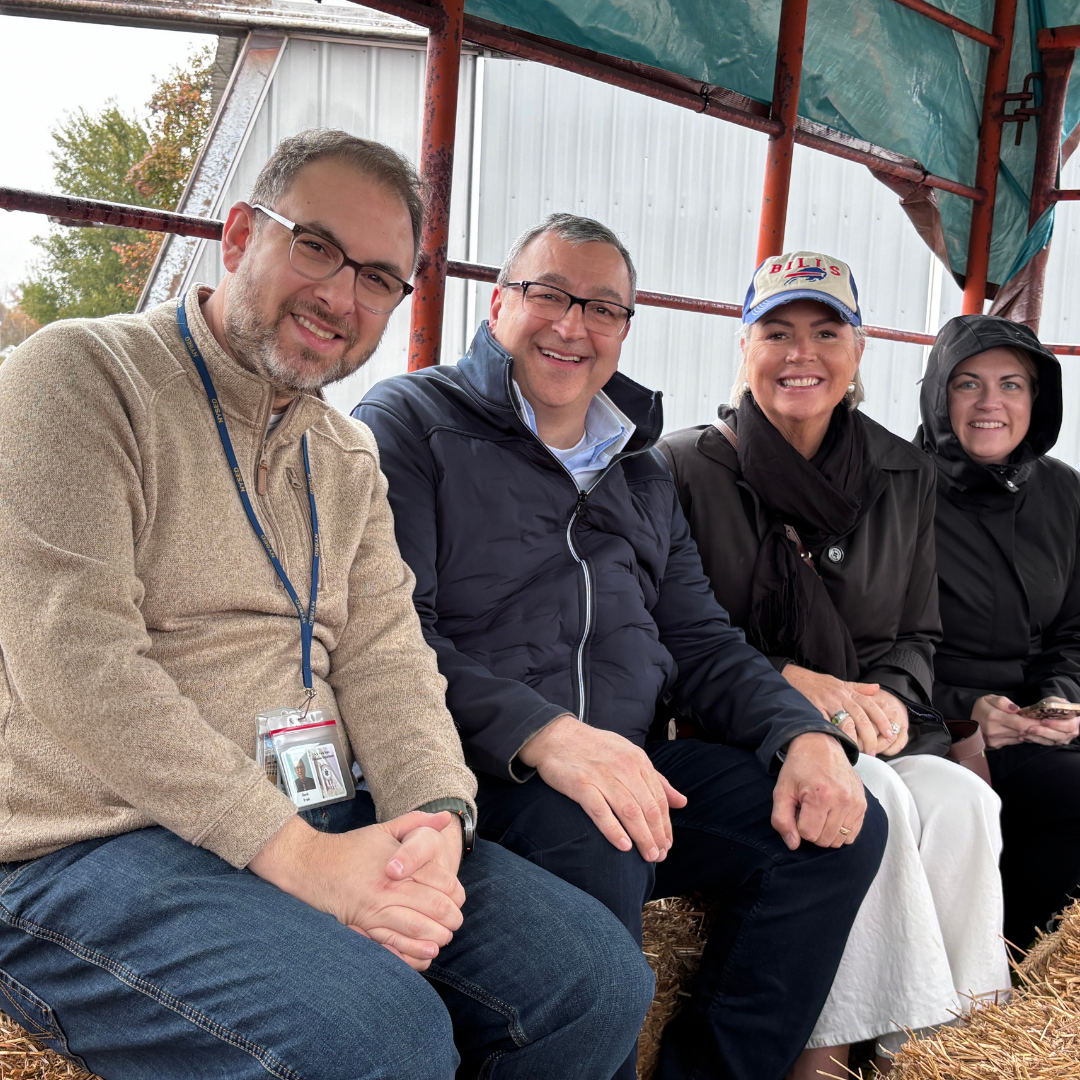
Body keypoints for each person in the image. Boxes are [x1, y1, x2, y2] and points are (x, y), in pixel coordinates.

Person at [0, 132, 654, 1080]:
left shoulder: (342, 456)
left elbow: (390, 660)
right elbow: (78, 666)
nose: (342, 297)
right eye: (316, 246)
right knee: (378, 1039)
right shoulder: (80, 379)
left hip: (311, 810)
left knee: (595, 979)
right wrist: (305, 863)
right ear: (237, 237)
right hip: (92, 839)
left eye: (381, 278)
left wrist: (438, 825)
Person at [354, 215, 888, 1080]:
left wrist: (806, 739)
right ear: (497, 306)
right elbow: (389, 636)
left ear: (626, 330)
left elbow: (701, 642)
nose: (573, 326)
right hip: (478, 771)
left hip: (625, 767)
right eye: (550, 296)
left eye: (603, 308)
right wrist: (546, 736)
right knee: (600, 830)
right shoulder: (413, 422)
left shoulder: (641, 469)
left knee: (838, 830)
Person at [659, 252, 1010, 1077]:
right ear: (742, 347)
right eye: (776, 332)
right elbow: (673, 638)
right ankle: (829, 1054)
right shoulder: (681, 468)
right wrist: (790, 684)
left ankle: (933, 1048)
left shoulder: (904, 472)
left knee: (964, 801)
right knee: (869, 798)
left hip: (869, 725)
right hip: (740, 732)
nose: (800, 354)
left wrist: (885, 701)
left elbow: (918, 631)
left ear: (859, 353)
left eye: (826, 332)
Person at [916, 313, 1080, 951]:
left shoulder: (1062, 491)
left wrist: (1061, 696)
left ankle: (1025, 982)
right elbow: (869, 642)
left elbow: (1074, 628)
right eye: (968, 384)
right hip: (933, 723)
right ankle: (995, 985)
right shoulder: (898, 487)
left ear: (1036, 400)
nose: (991, 403)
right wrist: (966, 712)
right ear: (937, 394)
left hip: (1035, 725)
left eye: (1012, 384)